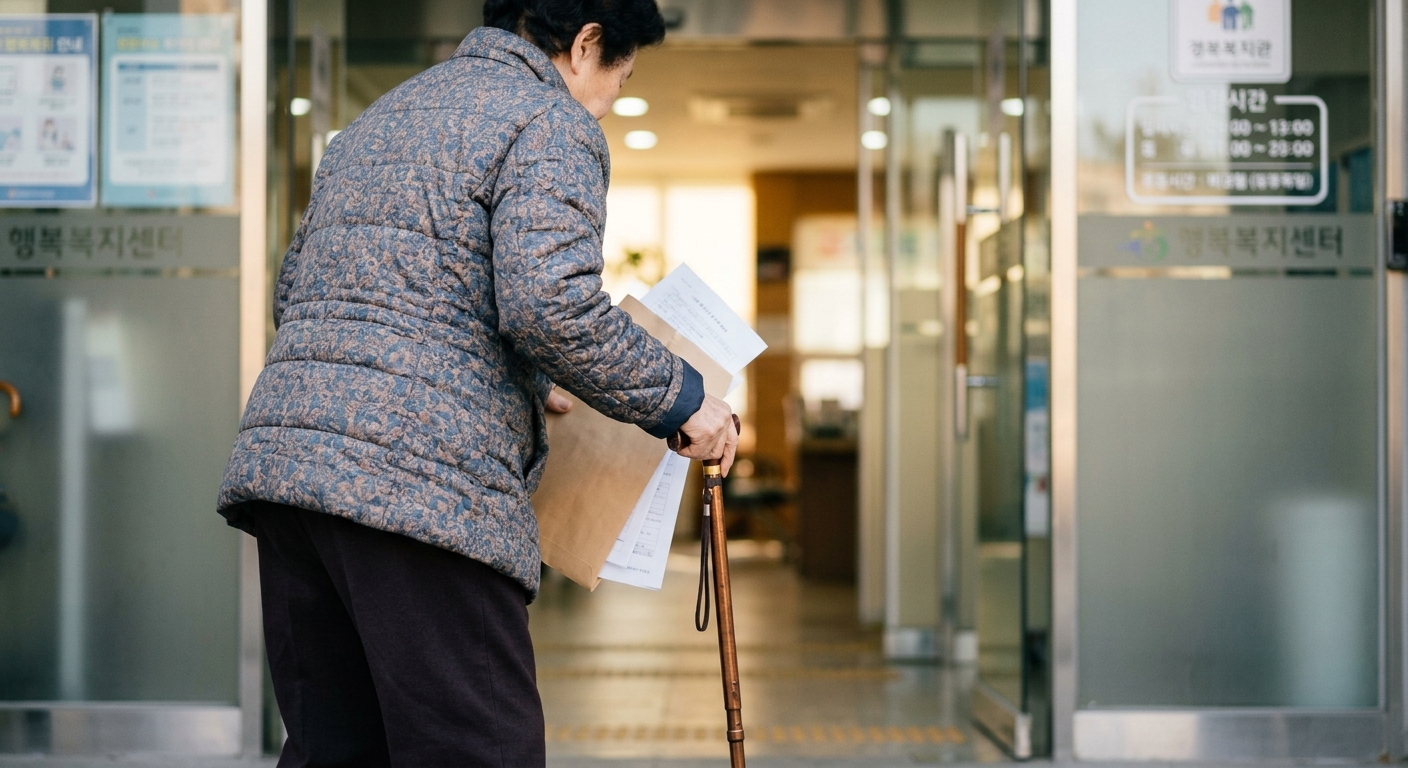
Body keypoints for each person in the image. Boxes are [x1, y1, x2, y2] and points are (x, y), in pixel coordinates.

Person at [216, 1, 738, 765]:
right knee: (480, 748)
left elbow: (297, 296)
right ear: (587, 43)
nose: (615, 97)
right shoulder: (549, 122)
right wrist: (687, 404)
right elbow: (549, 301)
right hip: (418, 491)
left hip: (291, 481)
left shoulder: (379, 120)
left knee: (336, 748)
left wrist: (517, 380)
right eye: (622, 74)